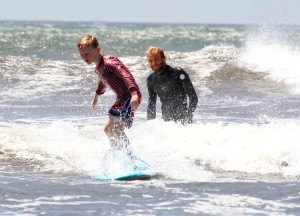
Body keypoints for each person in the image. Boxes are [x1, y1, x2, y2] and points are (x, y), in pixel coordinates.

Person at [77, 34, 141, 148]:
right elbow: (103, 81)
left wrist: (134, 94)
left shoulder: (109, 63)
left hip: (129, 97)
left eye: (87, 54)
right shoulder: (99, 68)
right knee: (108, 129)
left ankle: (129, 156)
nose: (84, 57)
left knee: (116, 129)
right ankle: (117, 152)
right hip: (121, 99)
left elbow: (126, 75)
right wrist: (97, 96)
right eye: (82, 55)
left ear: (97, 49)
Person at [146, 46, 198, 124]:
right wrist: (150, 126)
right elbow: (151, 105)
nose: (153, 63)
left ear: (163, 58)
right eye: (150, 61)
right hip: (167, 125)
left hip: (183, 122)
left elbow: (193, 98)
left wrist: (188, 119)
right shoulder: (151, 80)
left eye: (156, 59)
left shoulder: (178, 73)